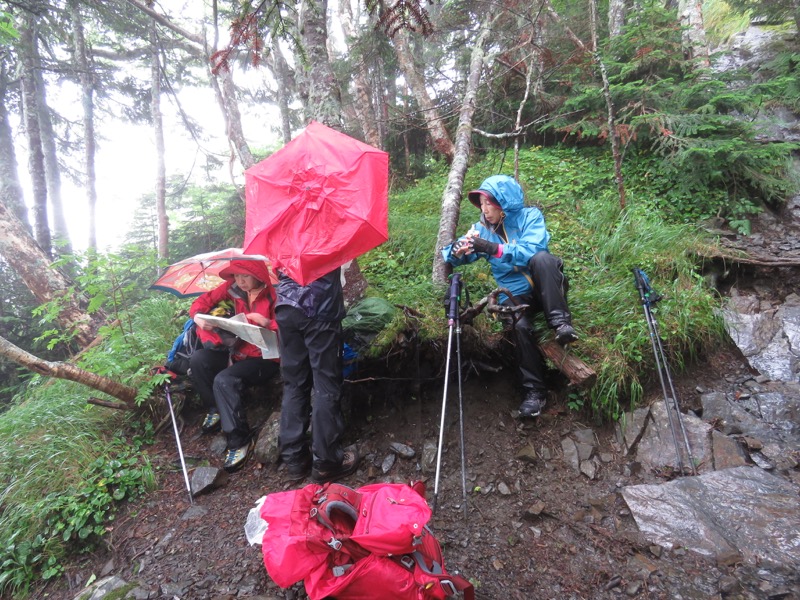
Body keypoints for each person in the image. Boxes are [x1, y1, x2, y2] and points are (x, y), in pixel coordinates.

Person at [442, 174, 578, 418]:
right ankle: (535, 393)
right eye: (481, 204)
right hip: (515, 295)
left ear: (503, 202)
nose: (485, 210)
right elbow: (450, 255)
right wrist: (458, 250)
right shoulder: (482, 229)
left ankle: (560, 323)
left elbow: (531, 250)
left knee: (543, 259)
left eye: (489, 203)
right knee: (519, 326)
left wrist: (493, 248)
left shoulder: (530, 217)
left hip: (545, 287)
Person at [188, 259, 280, 472]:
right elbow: (202, 302)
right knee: (199, 360)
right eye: (237, 276)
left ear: (257, 275)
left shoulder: (273, 295)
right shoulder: (233, 289)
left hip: (265, 358)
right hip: (238, 351)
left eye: (245, 276)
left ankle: (239, 440)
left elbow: (290, 325)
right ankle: (216, 407)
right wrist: (198, 319)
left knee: (224, 380)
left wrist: (268, 323)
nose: (240, 281)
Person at [274, 266, 360, 483]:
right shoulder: (325, 231)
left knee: (294, 383)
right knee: (326, 383)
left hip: (286, 305)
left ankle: (294, 459)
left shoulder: (282, 232)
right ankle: (326, 462)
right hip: (319, 305)